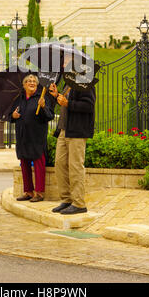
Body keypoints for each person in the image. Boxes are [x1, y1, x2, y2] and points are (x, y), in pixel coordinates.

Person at [49, 82, 96, 215]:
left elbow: (89, 106)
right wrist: (57, 96)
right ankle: (67, 200)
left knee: (75, 166)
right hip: (64, 130)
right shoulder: (68, 83)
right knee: (60, 164)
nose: (64, 64)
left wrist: (68, 103)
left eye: (66, 61)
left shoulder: (85, 84)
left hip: (77, 131)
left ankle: (79, 203)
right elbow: (64, 103)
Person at [11, 74, 54, 202]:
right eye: (29, 81)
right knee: (24, 164)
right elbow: (11, 115)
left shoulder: (42, 97)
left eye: (34, 81)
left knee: (38, 164)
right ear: (24, 85)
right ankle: (28, 191)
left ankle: (39, 193)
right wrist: (13, 115)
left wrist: (43, 107)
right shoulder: (19, 98)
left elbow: (49, 116)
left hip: (36, 136)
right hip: (22, 136)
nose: (31, 82)